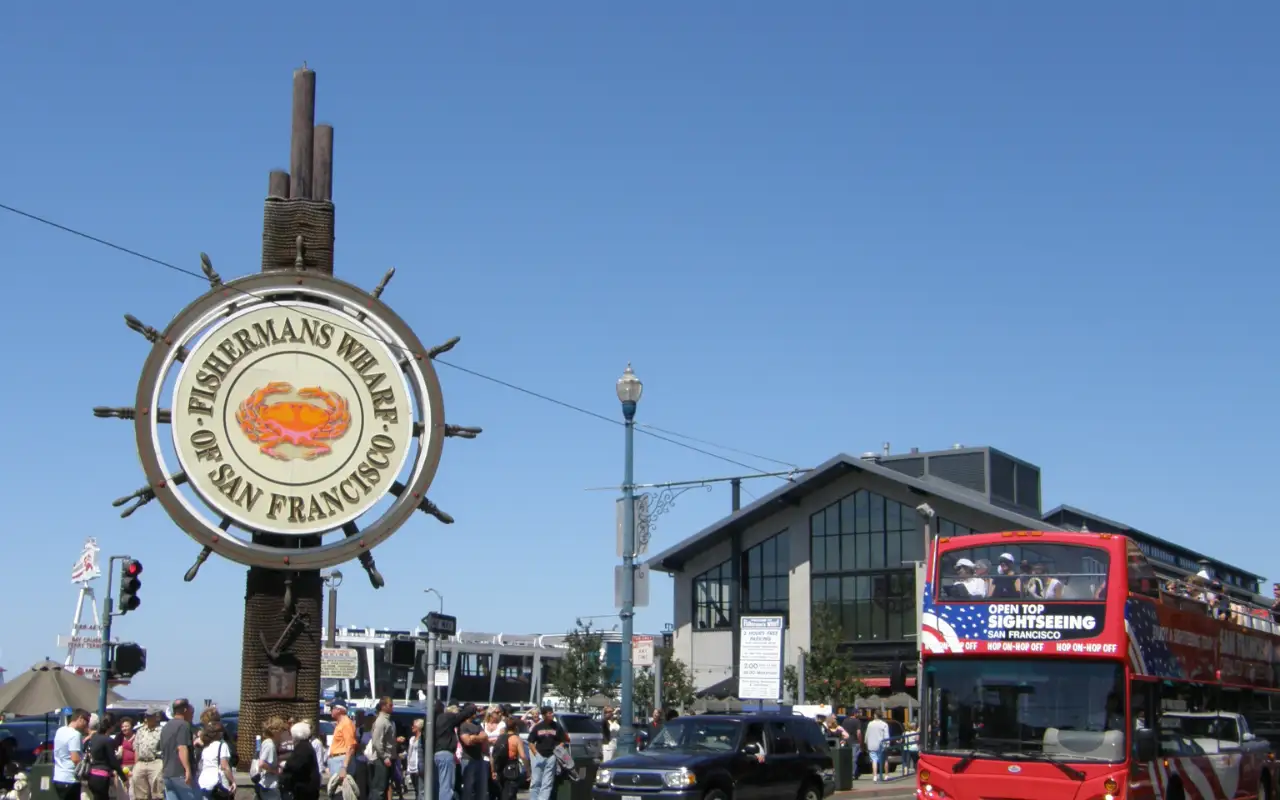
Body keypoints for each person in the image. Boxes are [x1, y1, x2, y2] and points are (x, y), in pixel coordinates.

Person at [525, 708, 566, 800]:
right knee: (536, 781)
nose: (551, 714)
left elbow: (563, 741)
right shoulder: (538, 727)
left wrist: (557, 749)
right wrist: (536, 753)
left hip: (551, 756)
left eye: (552, 713)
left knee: (547, 782)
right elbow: (530, 742)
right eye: (549, 713)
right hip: (538, 756)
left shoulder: (557, 726)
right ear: (543, 715)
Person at [159, 699, 197, 800]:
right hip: (180, 773)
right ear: (185, 709)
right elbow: (182, 747)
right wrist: (187, 770)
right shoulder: (183, 725)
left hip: (167, 774)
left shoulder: (166, 726)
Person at [84, 714, 127, 800]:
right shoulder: (108, 740)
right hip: (102, 777)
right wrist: (123, 777)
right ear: (111, 727)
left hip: (91, 776)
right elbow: (113, 762)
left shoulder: (94, 738)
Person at [53, 709, 91, 800]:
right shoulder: (75, 734)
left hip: (58, 777)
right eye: (87, 721)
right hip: (70, 779)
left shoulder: (60, 730)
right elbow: (75, 758)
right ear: (80, 718)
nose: (87, 725)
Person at [280, 723, 321, 800]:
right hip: (307, 788)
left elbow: (295, 766)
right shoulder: (306, 746)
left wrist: (283, 765)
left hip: (304, 790)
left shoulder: (303, 748)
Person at [195, 721, 234, 800]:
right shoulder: (222, 745)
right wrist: (233, 781)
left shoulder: (206, 747)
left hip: (203, 782)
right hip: (217, 784)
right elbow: (224, 766)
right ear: (219, 733)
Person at [490, 717, 528, 800]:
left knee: (502, 793)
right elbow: (523, 756)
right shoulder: (516, 739)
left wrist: (493, 770)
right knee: (511, 794)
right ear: (516, 727)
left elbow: (493, 756)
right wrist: (528, 770)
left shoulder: (500, 738)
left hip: (500, 768)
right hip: (512, 768)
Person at [131, 712, 165, 800]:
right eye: (146, 716)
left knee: (157, 793)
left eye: (150, 716)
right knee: (140, 794)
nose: (147, 718)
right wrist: (136, 765)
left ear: (156, 717)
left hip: (156, 762)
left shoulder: (162, 730)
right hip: (141, 762)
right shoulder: (140, 731)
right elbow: (136, 748)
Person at [368, 698, 397, 800]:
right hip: (382, 760)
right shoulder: (381, 721)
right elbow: (377, 742)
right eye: (390, 705)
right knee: (379, 789)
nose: (392, 707)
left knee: (384, 788)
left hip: (388, 759)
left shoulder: (387, 720)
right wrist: (384, 757)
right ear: (383, 706)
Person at [456, 705, 487, 800]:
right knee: (468, 788)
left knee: (481, 788)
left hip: (480, 759)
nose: (476, 714)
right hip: (467, 759)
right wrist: (477, 738)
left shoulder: (477, 725)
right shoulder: (463, 726)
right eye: (475, 712)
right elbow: (467, 741)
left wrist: (473, 737)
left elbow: (485, 737)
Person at [863, 711, 891, 783]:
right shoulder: (884, 724)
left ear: (875, 715)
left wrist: (866, 742)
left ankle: (875, 776)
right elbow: (886, 735)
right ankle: (886, 775)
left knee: (874, 760)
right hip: (881, 745)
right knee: (885, 760)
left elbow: (867, 735)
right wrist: (887, 744)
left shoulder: (870, 724)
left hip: (872, 744)